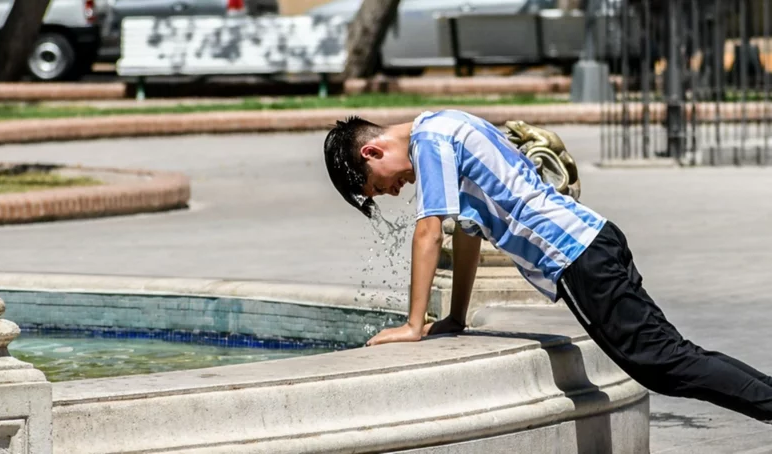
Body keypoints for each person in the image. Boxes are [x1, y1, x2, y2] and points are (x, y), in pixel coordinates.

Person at [322, 109, 772, 423]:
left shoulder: (429, 140)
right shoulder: (446, 126)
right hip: (593, 242)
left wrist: (413, 325)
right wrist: (456, 316)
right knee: (669, 359)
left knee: (665, 363)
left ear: (372, 153)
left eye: (377, 187)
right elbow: (467, 236)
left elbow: (430, 232)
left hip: (578, 257)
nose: (394, 191)